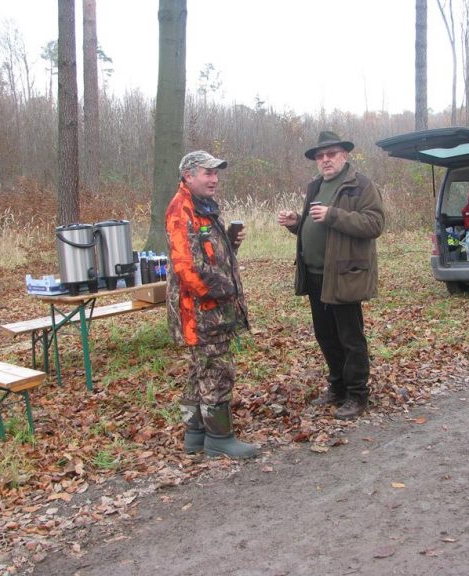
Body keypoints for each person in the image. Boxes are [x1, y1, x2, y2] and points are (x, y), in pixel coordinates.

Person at [277, 131, 385, 420]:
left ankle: (358, 395)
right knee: (325, 335)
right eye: (320, 156)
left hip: (344, 274)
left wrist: (334, 215)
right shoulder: (315, 186)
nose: (325, 160)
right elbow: (314, 225)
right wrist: (296, 223)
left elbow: (374, 223)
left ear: (344, 155)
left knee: (350, 336)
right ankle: (337, 388)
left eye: (331, 154)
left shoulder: (359, 185)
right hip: (314, 275)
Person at [165, 150, 258, 459]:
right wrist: (226, 289)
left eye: (216, 173)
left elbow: (207, 254)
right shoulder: (182, 210)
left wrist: (229, 243)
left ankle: (195, 435)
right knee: (217, 370)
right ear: (189, 175)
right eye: (208, 173)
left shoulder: (203, 207)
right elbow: (187, 268)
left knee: (200, 370)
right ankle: (219, 438)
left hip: (211, 308)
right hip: (202, 313)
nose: (214, 179)